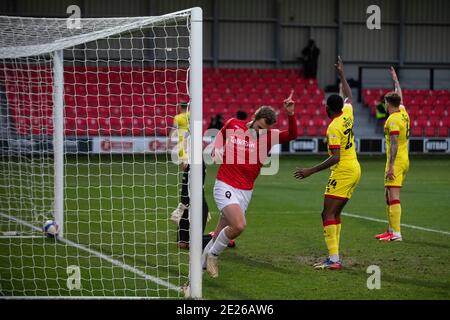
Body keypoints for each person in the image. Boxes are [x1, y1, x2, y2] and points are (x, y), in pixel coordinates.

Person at [203, 91, 298, 278]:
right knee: (239, 225)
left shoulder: (269, 136)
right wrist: (216, 149)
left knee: (219, 233)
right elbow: (220, 137)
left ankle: (198, 270)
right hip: (225, 185)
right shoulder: (233, 124)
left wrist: (291, 114)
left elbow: (293, 134)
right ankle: (213, 257)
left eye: (264, 129)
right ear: (254, 118)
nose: (260, 131)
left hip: (245, 192)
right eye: (259, 126)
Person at [293, 57, 361, 270]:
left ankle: (334, 260)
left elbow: (335, 157)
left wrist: (310, 171)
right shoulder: (347, 113)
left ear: (328, 109)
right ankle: (335, 256)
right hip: (355, 168)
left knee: (327, 213)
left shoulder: (333, 128)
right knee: (335, 213)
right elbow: (349, 96)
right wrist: (341, 74)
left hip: (343, 170)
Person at [169, 102, 214, 249]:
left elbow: (175, 136)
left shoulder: (179, 118)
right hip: (192, 159)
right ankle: (192, 239)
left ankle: (184, 239)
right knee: (194, 202)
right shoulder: (191, 119)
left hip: (188, 156)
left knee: (188, 200)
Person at [375, 67, 410, 242]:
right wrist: (396, 82)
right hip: (404, 159)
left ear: (389, 104)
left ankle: (396, 234)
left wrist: (390, 166)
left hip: (396, 161)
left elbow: (394, 144)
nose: (384, 105)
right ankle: (390, 229)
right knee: (387, 194)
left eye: (385, 102)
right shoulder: (402, 112)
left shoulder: (393, 120)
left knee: (394, 196)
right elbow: (400, 96)